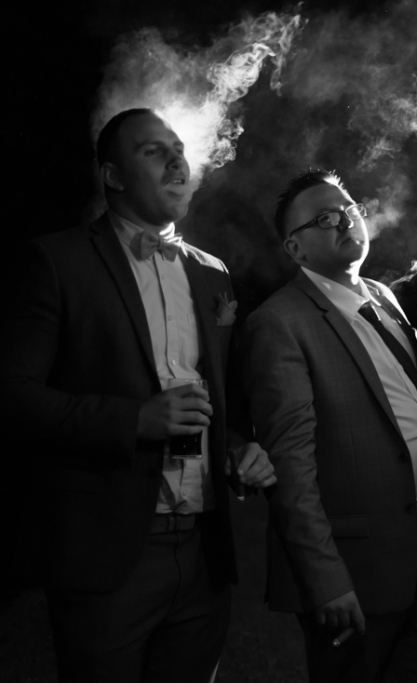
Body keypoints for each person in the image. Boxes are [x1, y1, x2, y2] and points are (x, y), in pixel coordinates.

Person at [0, 108, 276, 682]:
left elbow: (217, 402)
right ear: (113, 176)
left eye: (178, 147)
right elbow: (13, 396)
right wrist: (133, 421)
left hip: (203, 553)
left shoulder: (212, 273)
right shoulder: (57, 261)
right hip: (109, 555)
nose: (177, 159)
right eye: (153, 151)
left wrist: (236, 447)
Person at [243, 169, 417, 683]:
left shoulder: (382, 297)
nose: (344, 220)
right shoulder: (280, 324)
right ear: (295, 249)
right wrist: (326, 581)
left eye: (350, 209)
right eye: (324, 218)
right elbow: (291, 468)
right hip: (353, 576)